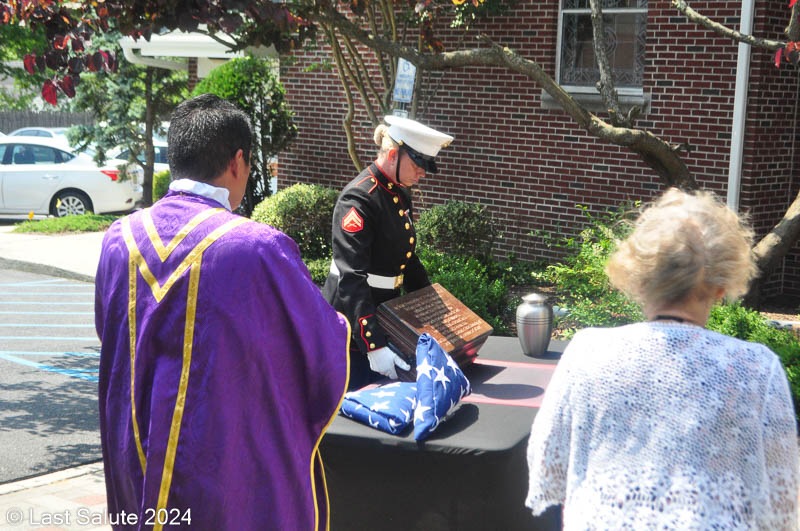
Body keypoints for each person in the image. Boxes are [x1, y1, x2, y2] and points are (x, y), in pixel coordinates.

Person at [94, 94, 350, 530]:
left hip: (135, 447)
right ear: (238, 161)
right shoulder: (256, 247)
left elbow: (110, 334)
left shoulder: (120, 239)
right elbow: (319, 345)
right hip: (218, 461)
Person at [526, 188, 799, 529]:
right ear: (720, 287)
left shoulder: (586, 351)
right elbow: (782, 501)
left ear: (639, 278)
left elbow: (547, 463)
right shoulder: (756, 367)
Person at [322, 115, 453, 389]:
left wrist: (436, 314)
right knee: (352, 401)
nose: (422, 173)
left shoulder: (398, 193)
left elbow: (407, 260)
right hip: (352, 325)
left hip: (384, 311)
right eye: (417, 164)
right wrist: (373, 344)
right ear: (393, 155)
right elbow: (351, 277)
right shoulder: (358, 199)